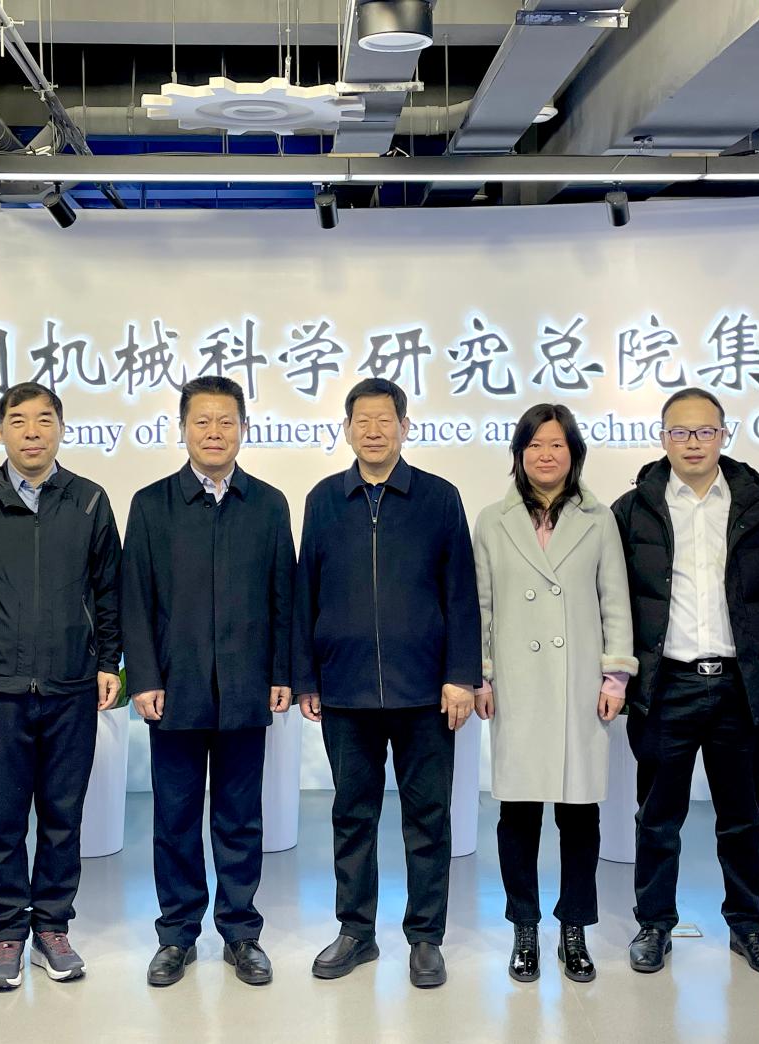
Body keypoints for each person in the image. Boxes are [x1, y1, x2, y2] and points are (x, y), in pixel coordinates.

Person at [0, 381, 121, 990]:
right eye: (18, 421)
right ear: (0, 431)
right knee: (5, 816)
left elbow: (109, 589)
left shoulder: (89, 500)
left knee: (64, 814)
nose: (32, 432)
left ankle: (53, 928)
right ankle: (8, 933)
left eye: (44, 420)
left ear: (61, 429)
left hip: (71, 685)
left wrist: (108, 661)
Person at [294, 377, 480, 990]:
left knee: (428, 817)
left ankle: (425, 937)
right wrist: (306, 677)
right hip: (345, 691)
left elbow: (461, 593)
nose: (373, 431)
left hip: (426, 693)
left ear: (405, 426)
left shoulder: (438, 498)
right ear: (347, 429)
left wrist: (461, 676)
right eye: (362, 421)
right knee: (352, 814)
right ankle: (356, 931)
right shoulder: (324, 499)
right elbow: (305, 591)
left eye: (385, 420)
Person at [611, 387, 759, 978]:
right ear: (663, 438)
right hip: (665, 687)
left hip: (740, 688)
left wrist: (752, 641)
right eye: (681, 432)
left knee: (742, 818)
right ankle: (653, 924)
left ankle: (749, 926)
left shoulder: (758, 506)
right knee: (657, 818)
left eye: (705, 431)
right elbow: (613, 595)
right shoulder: (632, 510)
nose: (693, 442)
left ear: (723, 435)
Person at [122, 376, 295, 988]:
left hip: (246, 687)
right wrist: (144, 677)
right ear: (183, 429)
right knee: (174, 818)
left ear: (244, 429)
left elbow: (283, 594)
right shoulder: (152, 504)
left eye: (226, 421)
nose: (214, 432)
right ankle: (176, 935)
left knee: (240, 818)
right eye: (202, 421)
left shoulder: (268, 504)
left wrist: (282, 672)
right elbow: (135, 598)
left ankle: (242, 932)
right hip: (175, 688)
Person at [472, 404, 636, 984]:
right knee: (517, 817)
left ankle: (574, 928)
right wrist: (483, 674)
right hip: (518, 686)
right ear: (519, 453)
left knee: (579, 817)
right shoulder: (493, 520)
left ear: (574, 453)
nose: (546, 455)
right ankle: (524, 926)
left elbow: (615, 600)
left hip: (579, 687)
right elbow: (481, 605)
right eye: (535, 444)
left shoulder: (599, 518)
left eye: (558, 445)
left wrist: (615, 676)